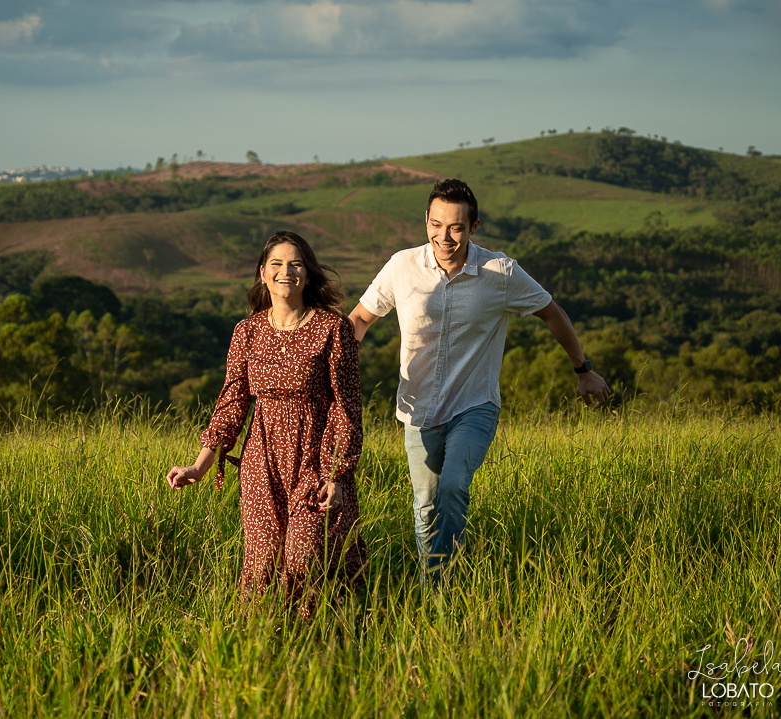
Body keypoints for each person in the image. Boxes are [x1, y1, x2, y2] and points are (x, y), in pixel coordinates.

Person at [349, 179, 610, 584]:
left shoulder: (499, 272)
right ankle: (434, 586)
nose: (444, 236)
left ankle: (439, 591)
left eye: (456, 227)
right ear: (426, 221)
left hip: (474, 406)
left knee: (452, 487)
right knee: (425, 505)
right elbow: (361, 319)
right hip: (418, 407)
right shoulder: (402, 266)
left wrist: (583, 369)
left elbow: (552, 312)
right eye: (436, 224)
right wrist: (327, 367)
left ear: (473, 227)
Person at [166, 231, 366, 616]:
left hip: (315, 458)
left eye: (295, 264)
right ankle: (258, 644)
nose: (285, 272)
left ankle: (318, 643)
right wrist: (199, 465)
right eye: (276, 263)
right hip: (261, 462)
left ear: (307, 274)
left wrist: (337, 473)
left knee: (305, 558)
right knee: (262, 563)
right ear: (262, 273)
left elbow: (347, 408)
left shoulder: (332, 328)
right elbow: (232, 404)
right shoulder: (248, 331)